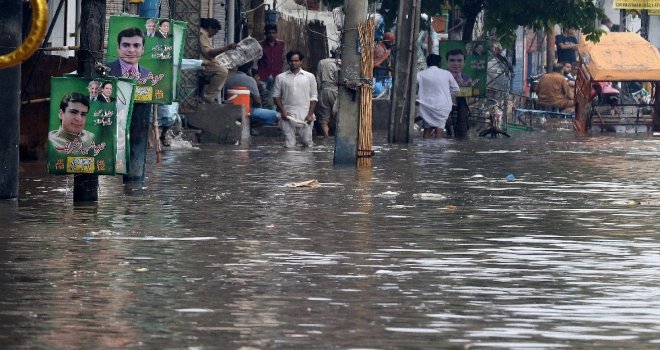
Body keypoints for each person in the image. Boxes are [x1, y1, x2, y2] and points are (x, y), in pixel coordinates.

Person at [273, 50, 318, 148]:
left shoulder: (309, 77)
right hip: (287, 115)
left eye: (296, 61)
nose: (294, 63)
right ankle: (289, 163)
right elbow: (276, 96)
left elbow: (314, 97)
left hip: (305, 115)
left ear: (301, 61)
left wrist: (310, 114)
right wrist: (283, 111)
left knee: (307, 143)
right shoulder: (280, 77)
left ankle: (306, 163)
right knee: (289, 144)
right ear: (288, 61)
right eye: (291, 61)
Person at [225, 61, 279, 133]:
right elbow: (257, 101)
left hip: (229, 111)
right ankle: (249, 127)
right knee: (276, 115)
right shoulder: (250, 80)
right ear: (249, 70)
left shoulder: (228, 79)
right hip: (246, 111)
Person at [416, 54, 460, 138]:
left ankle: (424, 149)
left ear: (427, 63)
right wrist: (446, 95)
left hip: (426, 105)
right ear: (439, 63)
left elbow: (412, 84)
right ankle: (438, 149)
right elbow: (456, 89)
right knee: (439, 129)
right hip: (443, 106)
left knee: (427, 129)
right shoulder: (446, 74)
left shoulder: (421, 74)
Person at [199, 18, 237, 104]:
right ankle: (208, 97)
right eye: (215, 32)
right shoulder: (202, 34)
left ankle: (214, 96)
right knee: (222, 71)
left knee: (230, 69)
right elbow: (209, 53)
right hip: (201, 64)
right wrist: (227, 48)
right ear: (210, 28)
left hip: (207, 62)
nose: (214, 35)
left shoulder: (205, 35)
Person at [315, 48, 341, 138]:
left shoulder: (321, 62)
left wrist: (318, 92)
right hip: (336, 91)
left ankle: (326, 137)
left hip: (324, 91)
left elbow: (318, 78)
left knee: (324, 118)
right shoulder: (341, 63)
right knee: (338, 115)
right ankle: (338, 137)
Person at [257, 23, 287, 96]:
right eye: (269, 33)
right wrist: (256, 75)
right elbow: (255, 61)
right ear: (266, 33)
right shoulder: (259, 45)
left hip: (276, 76)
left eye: (273, 33)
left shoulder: (281, 44)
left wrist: (284, 74)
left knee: (274, 97)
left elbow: (284, 60)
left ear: (276, 33)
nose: (271, 35)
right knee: (263, 98)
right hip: (263, 76)